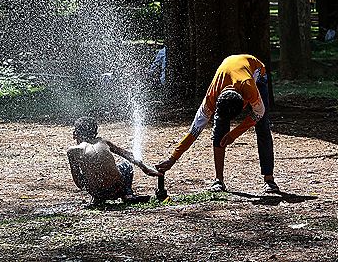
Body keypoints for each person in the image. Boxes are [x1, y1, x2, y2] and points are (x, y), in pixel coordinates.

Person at [155, 54, 279, 194]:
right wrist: (173, 158)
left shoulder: (249, 87)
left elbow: (259, 112)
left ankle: (269, 179)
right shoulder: (211, 97)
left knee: (262, 127)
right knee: (219, 132)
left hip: (257, 72)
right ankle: (219, 180)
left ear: (244, 101)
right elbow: (194, 130)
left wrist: (234, 134)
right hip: (229, 72)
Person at [67, 117, 162, 205]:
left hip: (96, 192)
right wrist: (146, 169)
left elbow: (77, 180)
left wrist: (91, 187)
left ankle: (97, 199)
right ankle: (127, 194)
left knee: (88, 170)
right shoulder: (103, 142)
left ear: (75, 134)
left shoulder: (72, 151)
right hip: (117, 189)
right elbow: (129, 155)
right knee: (126, 165)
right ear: (95, 133)